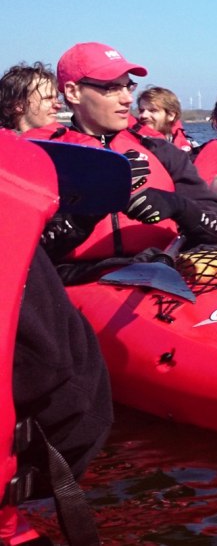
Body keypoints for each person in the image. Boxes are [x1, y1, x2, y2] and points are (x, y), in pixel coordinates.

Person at [27, 42, 217, 273]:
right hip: (77, 285)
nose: (127, 99)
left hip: (162, 276)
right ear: (74, 92)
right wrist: (92, 205)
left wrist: (179, 207)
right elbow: (24, 250)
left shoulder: (160, 151)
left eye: (128, 86)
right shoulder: (42, 157)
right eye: (112, 87)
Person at [1, 131, 111, 545]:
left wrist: (183, 211)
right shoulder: (18, 175)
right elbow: (79, 414)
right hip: (81, 274)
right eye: (108, 86)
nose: (124, 95)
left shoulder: (162, 153)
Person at [0, 61, 62, 133]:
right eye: (48, 98)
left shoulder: (69, 141)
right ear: (19, 105)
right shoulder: (5, 143)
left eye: (56, 98)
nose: (58, 106)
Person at [135, 85, 194, 152]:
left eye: (153, 110)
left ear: (171, 115)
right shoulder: (133, 145)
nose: (144, 115)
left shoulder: (190, 147)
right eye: (141, 111)